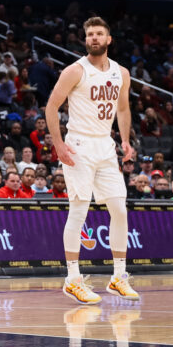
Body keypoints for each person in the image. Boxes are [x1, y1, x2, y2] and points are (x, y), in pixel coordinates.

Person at [46, 16, 138, 304]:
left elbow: (123, 109)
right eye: (90, 35)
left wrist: (124, 140)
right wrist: (58, 143)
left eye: (100, 33)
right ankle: (72, 279)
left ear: (109, 39)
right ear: (85, 40)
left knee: (119, 210)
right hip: (79, 145)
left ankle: (118, 277)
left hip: (105, 146)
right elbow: (51, 106)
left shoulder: (121, 73)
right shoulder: (75, 71)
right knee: (79, 210)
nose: (94, 38)